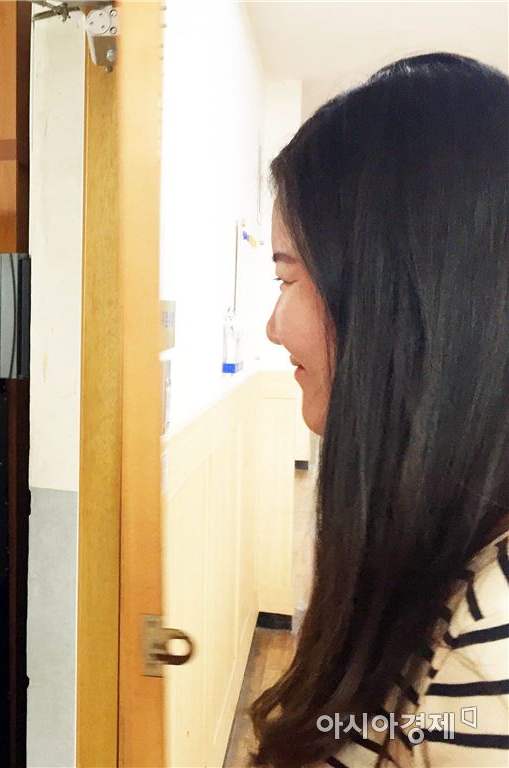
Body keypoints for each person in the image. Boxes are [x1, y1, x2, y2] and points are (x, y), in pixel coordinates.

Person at [253, 53, 509, 767]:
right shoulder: (444, 547)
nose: (274, 326)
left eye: (287, 278)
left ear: (395, 293)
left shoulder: (491, 646)